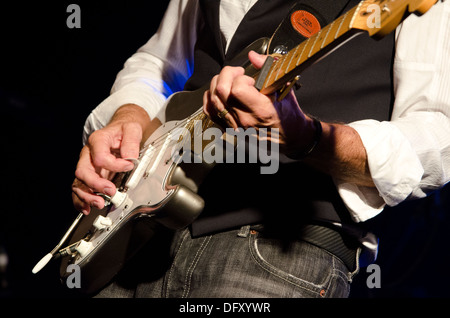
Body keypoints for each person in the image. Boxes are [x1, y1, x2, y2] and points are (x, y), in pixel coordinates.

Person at [71, 0, 450, 298]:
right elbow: (158, 62)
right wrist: (129, 118)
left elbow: (436, 137)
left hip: (277, 250)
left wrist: (307, 137)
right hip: (141, 232)